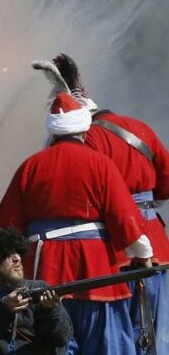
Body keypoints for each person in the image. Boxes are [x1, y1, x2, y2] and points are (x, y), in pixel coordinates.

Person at [0, 92, 154, 355]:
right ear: (82, 130)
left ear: (54, 133)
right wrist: (143, 257)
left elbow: (5, 230)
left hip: (44, 274)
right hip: (97, 274)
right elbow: (124, 219)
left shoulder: (30, 166)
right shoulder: (100, 164)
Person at [53, 53, 169, 354]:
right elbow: (165, 186)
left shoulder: (86, 141)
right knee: (157, 334)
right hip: (155, 244)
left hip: (113, 250)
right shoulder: (141, 129)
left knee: (120, 339)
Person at [0, 219, 72, 354]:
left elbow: (61, 338)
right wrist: (5, 310)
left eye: (17, 252)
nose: (17, 258)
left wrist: (51, 310)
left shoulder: (40, 288)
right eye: (7, 253)